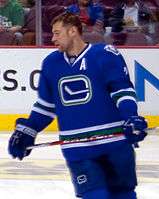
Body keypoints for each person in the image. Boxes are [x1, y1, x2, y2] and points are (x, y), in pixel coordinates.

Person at [8, 12, 148, 199]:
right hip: (77, 148)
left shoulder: (105, 55)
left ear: (73, 31)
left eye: (58, 33)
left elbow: (122, 91)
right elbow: (45, 107)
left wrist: (131, 117)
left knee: (123, 195)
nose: (53, 38)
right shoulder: (51, 63)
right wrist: (29, 130)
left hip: (115, 145)